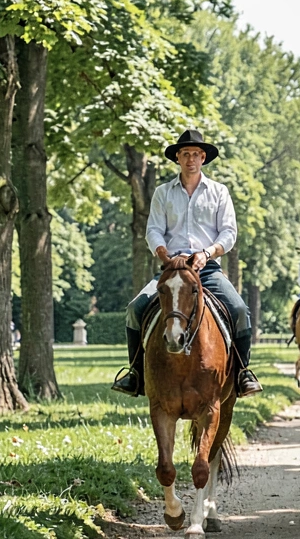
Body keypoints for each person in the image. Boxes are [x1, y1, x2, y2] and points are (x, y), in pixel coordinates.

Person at [111, 129, 263, 398]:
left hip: (206, 268)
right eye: (185, 154)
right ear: (178, 158)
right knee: (136, 308)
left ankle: (242, 373)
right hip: (173, 269)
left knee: (239, 309)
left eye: (195, 154)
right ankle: (135, 373)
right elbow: (153, 229)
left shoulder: (219, 192)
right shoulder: (162, 193)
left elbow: (229, 232)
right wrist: (163, 254)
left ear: (203, 157)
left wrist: (208, 253)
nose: (190, 159)